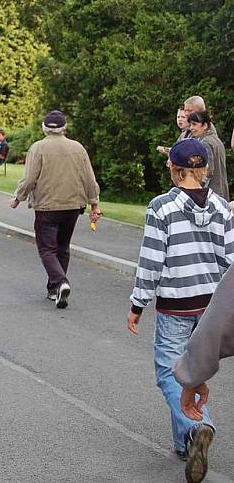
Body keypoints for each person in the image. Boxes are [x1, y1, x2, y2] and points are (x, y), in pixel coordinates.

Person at [126, 139, 234, 482]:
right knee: (193, 367)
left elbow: (151, 261)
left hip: (175, 305)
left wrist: (137, 304)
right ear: (204, 170)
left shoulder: (161, 208)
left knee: (169, 372)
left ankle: (199, 424)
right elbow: (229, 258)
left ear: (173, 169)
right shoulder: (220, 206)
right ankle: (185, 440)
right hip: (211, 305)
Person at [10, 110, 101, 308]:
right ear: (64, 127)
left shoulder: (38, 148)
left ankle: (60, 282)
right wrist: (94, 203)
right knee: (63, 246)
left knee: (46, 249)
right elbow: (89, 178)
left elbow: (30, 178)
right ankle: (54, 290)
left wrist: (19, 196)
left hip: (47, 206)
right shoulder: (78, 148)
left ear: (44, 128)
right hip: (73, 206)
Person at [174, 267, 234, 425]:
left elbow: (221, 317)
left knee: (167, 355)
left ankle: (195, 429)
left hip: (175, 299)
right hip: (204, 291)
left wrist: (192, 377)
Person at [187, 111, 229, 200]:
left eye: (194, 124)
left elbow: (207, 171)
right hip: (221, 191)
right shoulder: (215, 139)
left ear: (205, 125)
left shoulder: (204, 143)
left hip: (212, 194)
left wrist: (197, 191)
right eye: (190, 125)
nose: (191, 128)